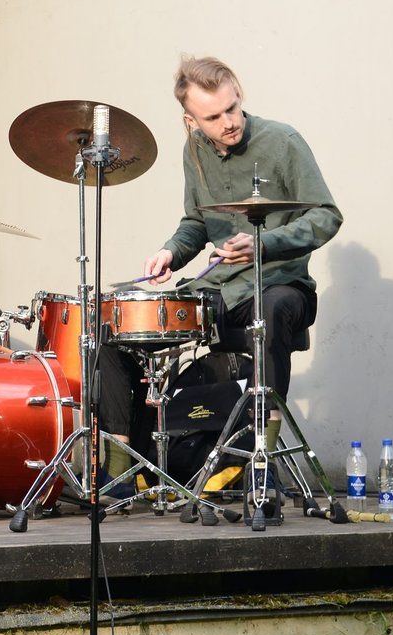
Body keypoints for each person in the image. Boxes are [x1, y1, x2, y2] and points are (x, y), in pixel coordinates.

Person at [95, 56, 342, 481]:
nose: (229, 122)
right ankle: (123, 468)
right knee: (115, 327)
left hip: (280, 285)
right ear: (190, 121)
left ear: (238, 94)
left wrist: (263, 244)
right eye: (213, 117)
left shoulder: (283, 141)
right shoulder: (193, 150)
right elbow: (196, 222)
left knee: (271, 311)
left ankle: (256, 459)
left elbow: (326, 216)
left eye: (232, 108)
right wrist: (171, 252)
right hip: (218, 289)